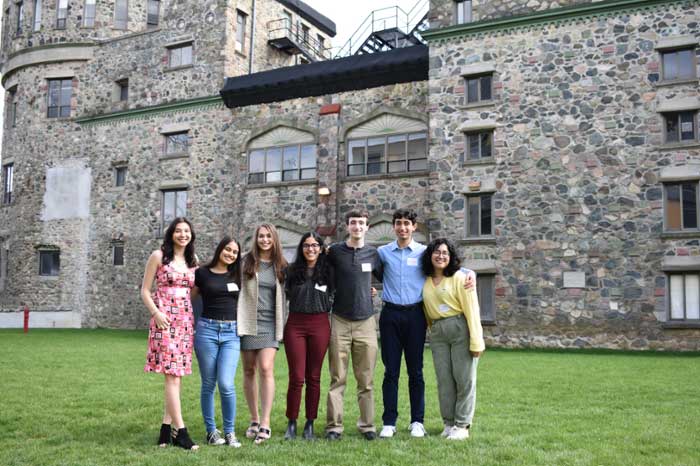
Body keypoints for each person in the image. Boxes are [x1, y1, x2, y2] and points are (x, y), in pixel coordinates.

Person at [377, 209, 476, 439]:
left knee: (416, 371)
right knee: (390, 371)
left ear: (414, 227)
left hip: (416, 316)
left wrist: (470, 273)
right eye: (399, 223)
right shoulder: (382, 252)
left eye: (407, 224)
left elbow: (449, 264)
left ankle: (417, 421)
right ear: (394, 227)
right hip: (390, 315)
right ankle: (389, 421)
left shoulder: (424, 252)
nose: (403, 228)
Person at [142, 217, 199, 450]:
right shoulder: (158, 256)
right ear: (171, 234)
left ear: (191, 235)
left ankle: (166, 430)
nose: (183, 235)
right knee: (171, 375)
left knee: (178, 375)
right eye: (178, 231)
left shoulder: (193, 260)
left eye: (187, 231)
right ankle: (181, 432)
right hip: (163, 321)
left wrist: (183, 310)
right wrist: (157, 313)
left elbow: (193, 292)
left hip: (184, 321)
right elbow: (144, 290)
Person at [325, 210, 383, 441]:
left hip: (366, 321)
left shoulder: (374, 254)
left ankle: (367, 426)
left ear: (367, 227)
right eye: (353, 223)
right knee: (337, 378)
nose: (357, 226)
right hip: (339, 319)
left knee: (366, 379)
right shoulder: (335, 252)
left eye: (361, 223)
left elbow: (384, 277)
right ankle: (333, 427)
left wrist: (374, 289)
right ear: (347, 226)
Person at [421, 238, 484, 440]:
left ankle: (462, 425)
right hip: (438, 332)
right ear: (430, 255)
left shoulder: (460, 278)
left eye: (445, 253)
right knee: (444, 381)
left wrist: (477, 341)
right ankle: (448, 424)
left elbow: (472, 310)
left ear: (451, 257)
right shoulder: (426, 280)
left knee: (464, 379)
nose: (441, 256)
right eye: (437, 252)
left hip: (460, 329)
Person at [237, 224, 288, 444]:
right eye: (261, 236)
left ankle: (266, 422)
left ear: (274, 239)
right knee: (249, 370)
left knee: (266, 368)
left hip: (270, 324)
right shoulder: (245, 262)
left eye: (268, 236)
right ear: (256, 239)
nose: (264, 240)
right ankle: (254, 419)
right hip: (248, 322)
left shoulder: (282, 266)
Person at [192, 236, 243, 448]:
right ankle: (211, 431)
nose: (230, 254)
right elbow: (188, 298)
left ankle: (230, 432)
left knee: (226, 383)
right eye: (227, 249)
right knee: (208, 384)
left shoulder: (238, 274)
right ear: (220, 249)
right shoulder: (202, 273)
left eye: (234, 252)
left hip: (231, 333)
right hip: (206, 331)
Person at [283, 232, 334, 440]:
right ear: (301, 248)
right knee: (296, 377)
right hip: (295, 324)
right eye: (306, 245)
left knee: (314, 377)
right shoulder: (291, 271)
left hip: (320, 324)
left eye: (315, 245)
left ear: (321, 248)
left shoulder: (329, 271)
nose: (310, 249)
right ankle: (292, 422)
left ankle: (310, 423)